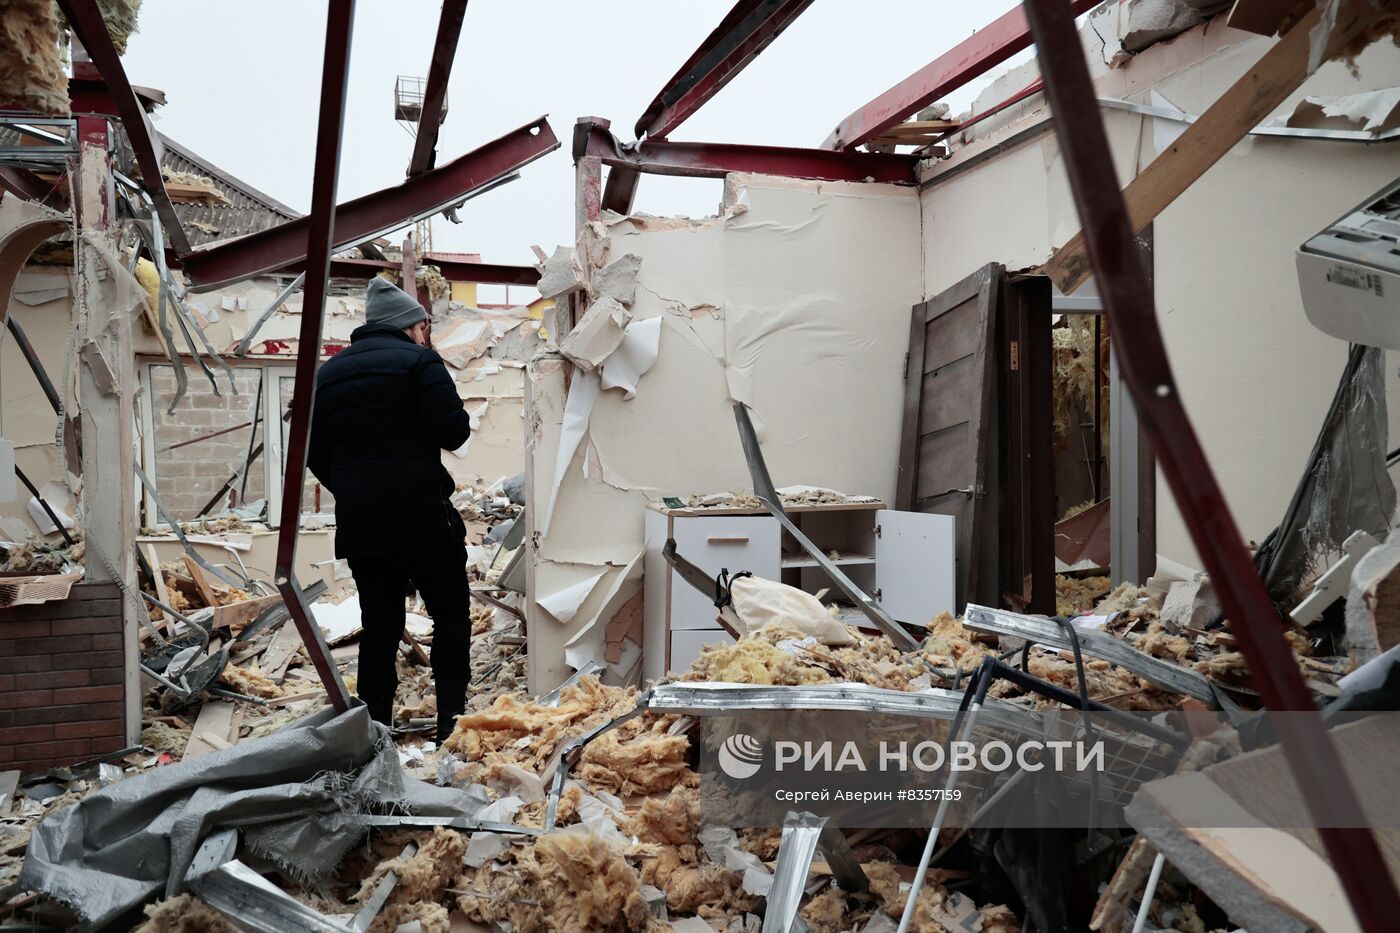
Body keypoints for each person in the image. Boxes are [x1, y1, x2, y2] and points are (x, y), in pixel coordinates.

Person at [308, 277, 471, 741]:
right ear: (410, 326)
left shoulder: (329, 374)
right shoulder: (421, 362)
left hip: (364, 526)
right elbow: (454, 432)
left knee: (379, 627)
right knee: (451, 618)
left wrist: (355, 489)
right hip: (423, 518)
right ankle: (451, 726)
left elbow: (314, 452)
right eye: (424, 326)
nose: (426, 334)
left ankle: (375, 730)